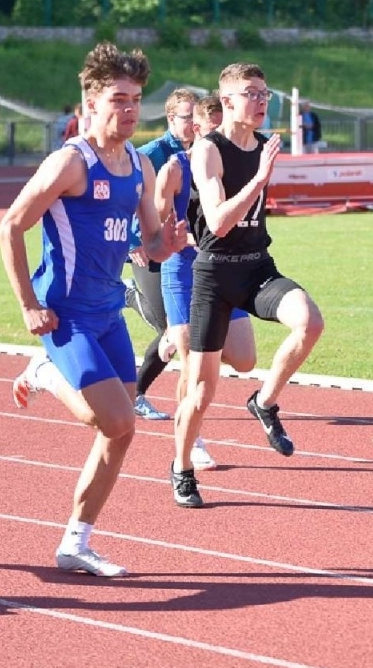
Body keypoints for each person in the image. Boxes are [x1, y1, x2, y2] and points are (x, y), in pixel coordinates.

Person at [0, 42, 184, 578]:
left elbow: (147, 241)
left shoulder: (140, 166)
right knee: (119, 417)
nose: (129, 111)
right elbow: (10, 225)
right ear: (91, 104)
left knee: (119, 430)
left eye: (136, 100)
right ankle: (45, 370)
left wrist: (165, 244)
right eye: (119, 100)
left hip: (108, 313)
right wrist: (28, 305)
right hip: (66, 314)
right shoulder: (70, 162)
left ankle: (75, 543)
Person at [171, 62, 325, 510]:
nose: (260, 101)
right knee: (201, 391)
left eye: (265, 93)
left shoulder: (263, 145)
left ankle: (264, 401)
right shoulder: (208, 151)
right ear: (228, 102)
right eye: (251, 93)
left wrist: (261, 170)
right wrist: (259, 179)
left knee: (310, 322)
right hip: (215, 274)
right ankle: (181, 467)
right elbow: (217, 223)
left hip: (257, 268)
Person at [152, 90, 258, 485]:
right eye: (213, 132)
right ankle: (191, 440)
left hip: (224, 269)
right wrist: (171, 237)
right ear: (196, 129)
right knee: (193, 362)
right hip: (184, 272)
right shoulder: (175, 169)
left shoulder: (232, 164)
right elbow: (154, 224)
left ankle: (173, 338)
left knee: (245, 359)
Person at [126, 87, 201, 423]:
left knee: (179, 329)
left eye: (198, 117)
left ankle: (136, 394)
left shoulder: (202, 152)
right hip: (149, 248)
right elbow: (124, 198)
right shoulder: (152, 154)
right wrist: (131, 242)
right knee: (170, 328)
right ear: (172, 118)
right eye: (189, 118)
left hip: (184, 252)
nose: (195, 124)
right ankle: (131, 296)